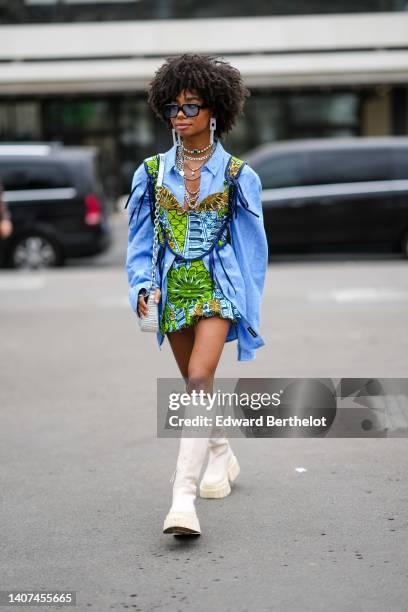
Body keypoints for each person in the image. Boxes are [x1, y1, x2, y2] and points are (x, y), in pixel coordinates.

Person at [125, 53, 268, 536]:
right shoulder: (148, 173)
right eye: (173, 108)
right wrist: (142, 288)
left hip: (217, 289)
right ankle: (222, 455)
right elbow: (141, 244)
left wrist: (247, 311)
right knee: (194, 384)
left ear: (215, 113)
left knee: (201, 377)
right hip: (172, 293)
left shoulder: (239, 177)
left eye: (191, 107)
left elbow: (253, 253)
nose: (180, 116)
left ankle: (181, 500)